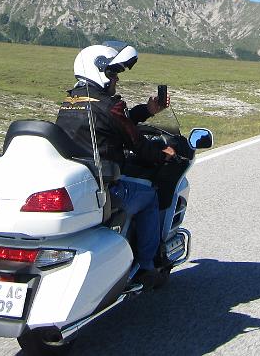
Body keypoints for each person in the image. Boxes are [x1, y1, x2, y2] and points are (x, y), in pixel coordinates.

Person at [56, 41, 174, 285]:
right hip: (106, 188)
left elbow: (114, 124)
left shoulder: (68, 103)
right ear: (100, 72)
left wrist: (147, 110)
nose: (116, 80)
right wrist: (163, 154)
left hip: (80, 187)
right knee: (149, 196)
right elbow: (137, 144)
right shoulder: (111, 106)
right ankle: (148, 266)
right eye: (113, 73)